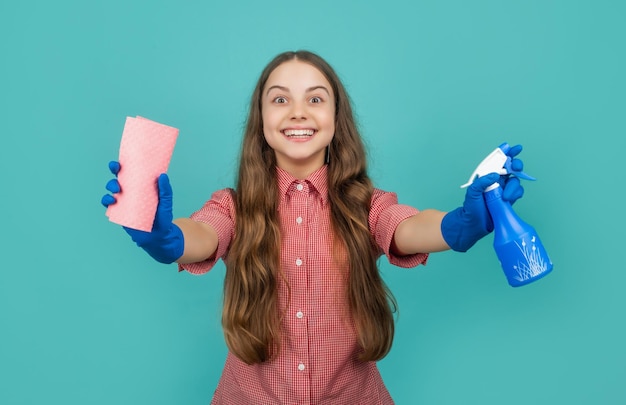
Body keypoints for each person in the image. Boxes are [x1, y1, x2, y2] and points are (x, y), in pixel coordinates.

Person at [102, 50, 525, 404]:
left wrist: (458, 225)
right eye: (280, 100)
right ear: (261, 119)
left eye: (316, 99)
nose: (298, 112)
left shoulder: (365, 205)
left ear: (336, 118)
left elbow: (408, 227)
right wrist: (170, 239)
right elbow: (204, 233)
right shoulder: (234, 206)